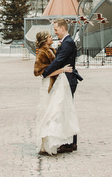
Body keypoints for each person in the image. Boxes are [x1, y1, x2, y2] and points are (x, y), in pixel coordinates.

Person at [40, 18, 82, 154]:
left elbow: (58, 61)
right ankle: (71, 142)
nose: (55, 32)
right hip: (67, 79)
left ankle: (69, 143)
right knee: (67, 109)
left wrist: (45, 72)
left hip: (68, 80)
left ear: (62, 28)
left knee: (65, 110)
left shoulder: (67, 43)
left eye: (56, 29)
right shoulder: (67, 42)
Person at [33, 30, 78, 156]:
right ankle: (46, 143)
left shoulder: (52, 50)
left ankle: (53, 141)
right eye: (49, 36)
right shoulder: (42, 52)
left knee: (54, 112)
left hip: (54, 84)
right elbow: (42, 73)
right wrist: (62, 70)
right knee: (48, 112)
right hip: (48, 84)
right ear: (44, 40)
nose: (51, 37)